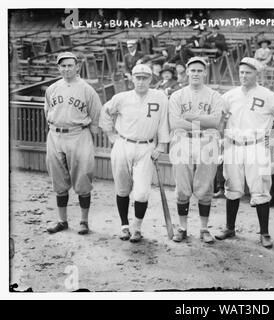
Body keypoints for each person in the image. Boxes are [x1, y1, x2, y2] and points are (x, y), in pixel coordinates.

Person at [215, 57, 274, 248]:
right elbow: (219, 119)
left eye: (249, 72)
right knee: (232, 187)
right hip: (234, 145)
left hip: (257, 146)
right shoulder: (229, 95)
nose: (244, 76)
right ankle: (230, 227)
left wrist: (272, 141)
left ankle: (265, 233)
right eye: (242, 72)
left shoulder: (269, 96)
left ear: (257, 74)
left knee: (260, 189)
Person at [99, 64, 169, 242]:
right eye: (137, 77)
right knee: (122, 189)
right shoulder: (121, 98)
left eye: (145, 77)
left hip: (146, 147)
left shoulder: (160, 97)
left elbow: (162, 123)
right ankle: (124, 226)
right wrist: (110, 135)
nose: (141, 81)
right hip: (123, 144)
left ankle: (137, 228)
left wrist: (160, 147)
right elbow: (105, 112)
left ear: (150, 79)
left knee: (141, 193)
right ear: (132, 79)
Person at [45, 52, 102, 235]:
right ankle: (62, 221)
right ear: (58, 68)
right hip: (55, 135)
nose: (67, 69)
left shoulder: (87, 89)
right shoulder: (52, 88)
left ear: (77, 67)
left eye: (70, 65)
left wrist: (89, 137)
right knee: (58, 181)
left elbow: (96, 115)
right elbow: (47, 112)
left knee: (83, 179)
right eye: (63, 66)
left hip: (78, 134)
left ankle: (84, 221)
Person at [168, 57, 224, 243]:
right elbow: (175, 122)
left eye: (200, 70)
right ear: (187, 72)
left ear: (205, 72)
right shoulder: (177, 95)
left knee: (205, 187)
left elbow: (216, 121)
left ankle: (203, 228)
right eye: (193, 70)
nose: (196, 74)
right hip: (182, 141)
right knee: (182, 188)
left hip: (207, 142)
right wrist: (202, 122)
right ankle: (182, 228)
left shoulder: (214, 95)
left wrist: (191, 117)